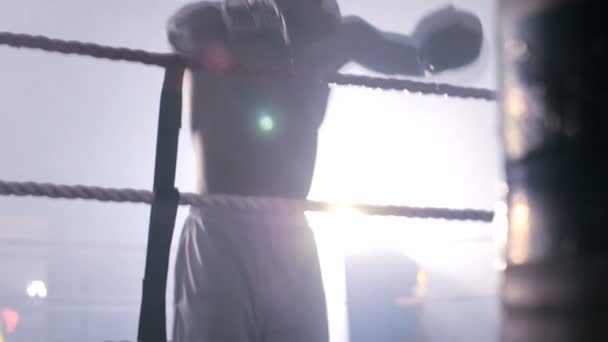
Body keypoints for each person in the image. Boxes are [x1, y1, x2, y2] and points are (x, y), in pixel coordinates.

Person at [167, 1, 483, 341]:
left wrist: (435, 53)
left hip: (291, 231)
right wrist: (214, 44)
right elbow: (183, 26)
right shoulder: (217, 24)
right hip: (222, 230)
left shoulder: (332, 40)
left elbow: (410, 57)